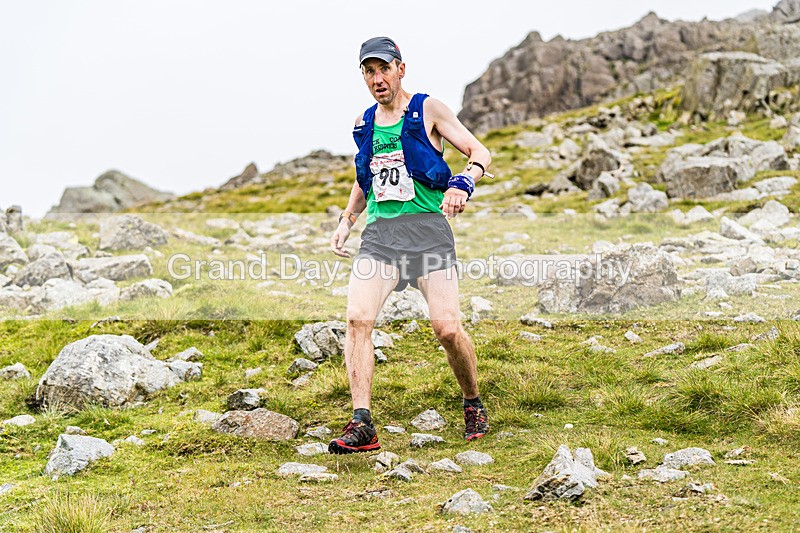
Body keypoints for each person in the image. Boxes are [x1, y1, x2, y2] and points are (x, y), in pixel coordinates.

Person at [328, 36, 493, 454]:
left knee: (447, 328)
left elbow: (479, 151)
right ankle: (362, 423)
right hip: (381, 239)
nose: (377, 78)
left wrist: (463, 182)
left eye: (384, 68)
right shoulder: (364, 124)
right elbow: (366, 179)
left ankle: (472, 401)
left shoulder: (427, 109)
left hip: (427, 233)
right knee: (357, 320)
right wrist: (348, 221)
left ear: (401, 68)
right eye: (369, 71)